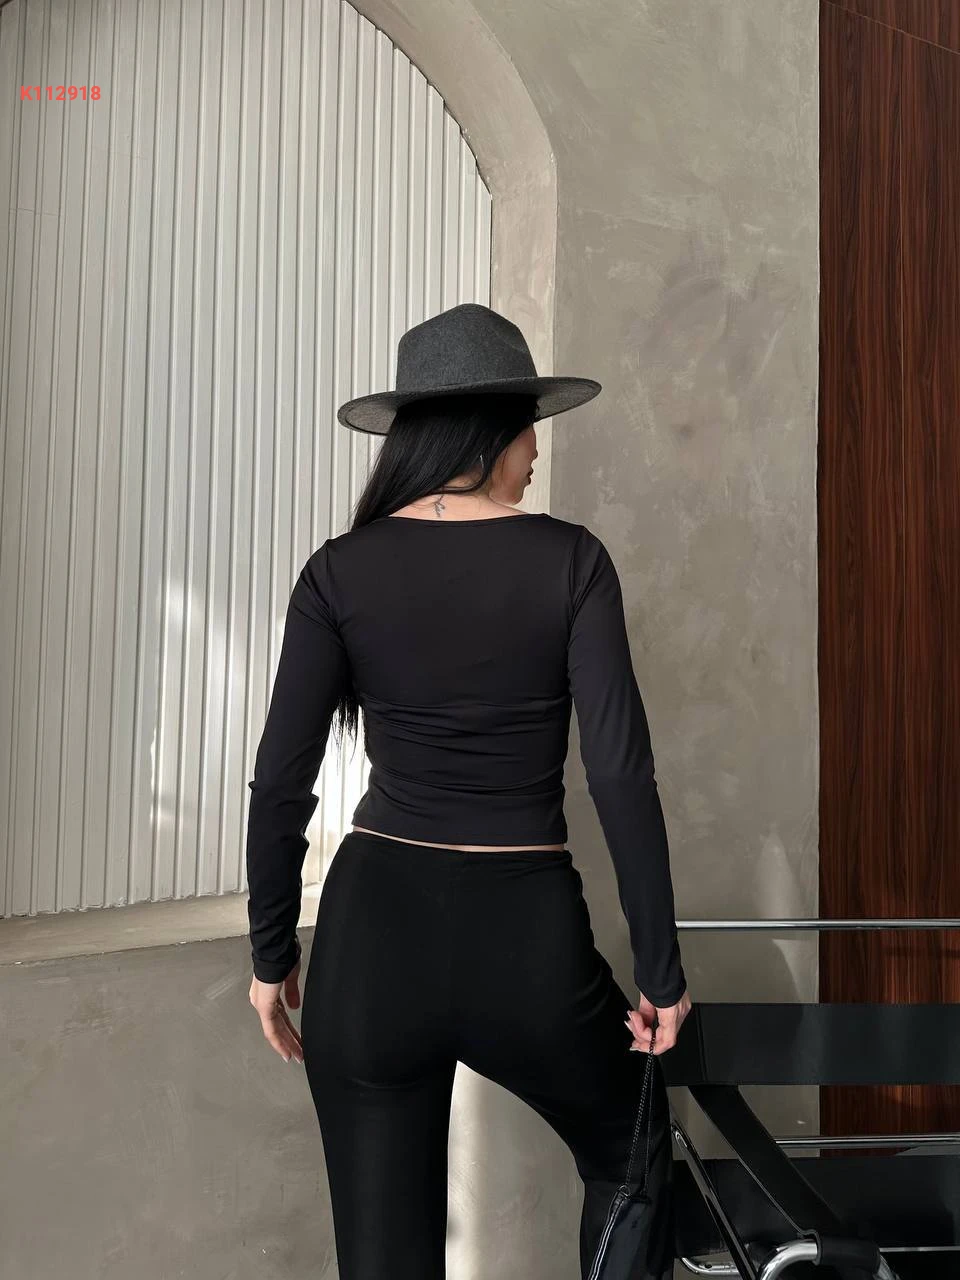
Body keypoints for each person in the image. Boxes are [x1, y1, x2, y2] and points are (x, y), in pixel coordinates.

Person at [245, 302, 692, 1279]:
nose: (536, 451)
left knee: (383, 1259)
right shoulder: (572, 561)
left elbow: (281, 781)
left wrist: (272, 953)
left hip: (371, 941)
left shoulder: (337, 571)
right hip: (524, 937)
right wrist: (661, 974)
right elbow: (621, 773)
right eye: (530, 425)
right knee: (634, 1148)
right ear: (493, 430)